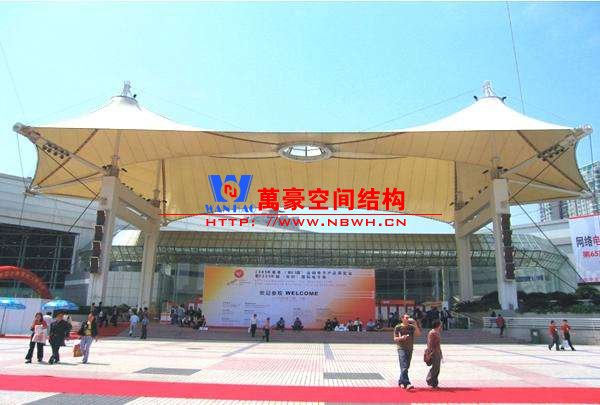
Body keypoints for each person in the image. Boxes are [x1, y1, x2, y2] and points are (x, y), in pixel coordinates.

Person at [394, 313, 421, 390]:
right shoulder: (398, 327)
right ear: (402, 319)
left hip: (410, 348)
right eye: (406, 317)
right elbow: (395, 338)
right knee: (404, 366)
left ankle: (401, 382)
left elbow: (418, 334)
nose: (408, 319)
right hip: (401, 348)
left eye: (408, 317)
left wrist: (415, 323)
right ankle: (407, 383)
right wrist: (401, 338)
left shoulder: (411, 327)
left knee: (406, 366)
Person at [425, 320, 443, 388]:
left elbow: (438, 344)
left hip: (437, 351)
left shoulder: (437, 332)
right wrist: (429, 352)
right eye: (440, 324)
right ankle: (429, 380)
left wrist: (440, 353)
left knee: (437, 368)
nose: (441, 326)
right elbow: (429, 343)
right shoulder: (432, 332)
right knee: (435, 367)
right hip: (433, 352)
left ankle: (434, 383)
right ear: (438, 325)